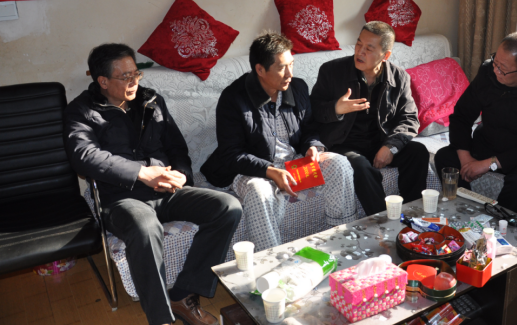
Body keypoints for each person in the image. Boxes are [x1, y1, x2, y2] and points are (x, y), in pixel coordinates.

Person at [64, 43, 242, 325]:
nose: (134, 81)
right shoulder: (81, 111)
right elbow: (84, 157)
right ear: (103, 81)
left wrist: (181, 175)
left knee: (228, 207)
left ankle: (183, 295)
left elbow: (176, 146)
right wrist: (142, 173)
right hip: (121, 199)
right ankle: (161, 319)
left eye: (136, 73)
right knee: (145, 227)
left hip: (166, 190)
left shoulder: (151, 100)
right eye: (125, 76)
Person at [201, 32, 356, 251]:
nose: (290, 73)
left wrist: (312, 146)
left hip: (292, 166)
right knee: (259, 191)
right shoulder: (233, 98)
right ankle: (270, 259)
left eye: (291, 64)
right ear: (260, 70)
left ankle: (341, 240)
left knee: (339, 163)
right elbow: (231, 154)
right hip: (252, 171)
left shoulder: (298, 88)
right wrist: (270, 171)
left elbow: (309, 129)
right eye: (282, 67)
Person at [434, 32, 517, 214]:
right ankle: (464, 211)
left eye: (503, 69)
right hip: (488, 141)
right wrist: (466, 159)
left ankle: (498, 221)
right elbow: (462, 115)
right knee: (445, 157)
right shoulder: (488, 72)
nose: (495, 70)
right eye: (495, 62)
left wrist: (489, 164)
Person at [309, 21, 429, 216]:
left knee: (418, 152)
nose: (360, 52)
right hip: (344, 143)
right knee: (361, 167)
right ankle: (383, 221)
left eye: (369, 48)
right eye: (359, 44)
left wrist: (390, 147)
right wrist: (336, 108)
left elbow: (409, 118)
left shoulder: (399, 77)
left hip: (380, 141)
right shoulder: (331, 71)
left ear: (385, 55)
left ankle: (413, 214)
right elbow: (312, 110)